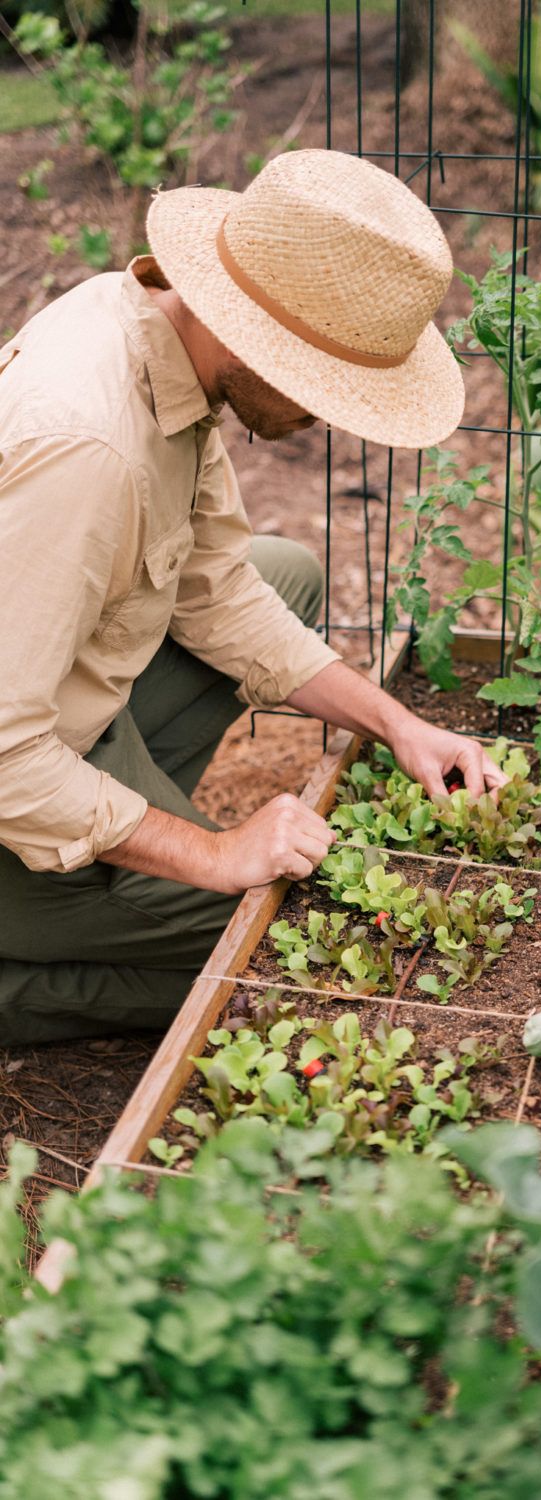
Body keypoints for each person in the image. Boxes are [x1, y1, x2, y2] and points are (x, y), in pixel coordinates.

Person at [0, 148, 505, 1045]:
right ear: (247, 333)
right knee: (276, 946)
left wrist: (395, 724)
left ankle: (107, 845)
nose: (336, 415)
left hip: (55, 701)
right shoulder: (90, 449)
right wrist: (216, 854)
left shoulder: (157, 337)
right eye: (327, 387)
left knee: (281, 569)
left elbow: (219, 593)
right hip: (12, 778)